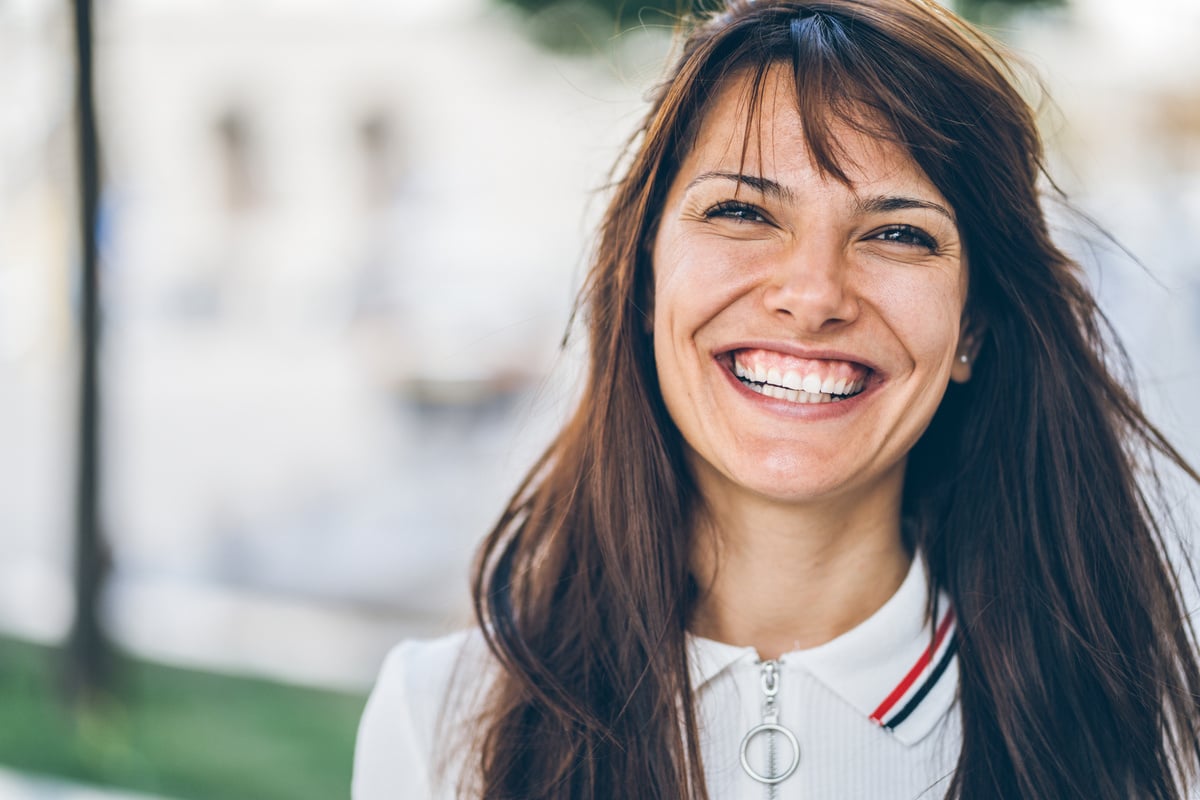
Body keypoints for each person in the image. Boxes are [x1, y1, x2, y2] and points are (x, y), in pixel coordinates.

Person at [353, 0, 1200, 797]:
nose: (813, 292)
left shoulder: (1148, 725)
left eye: (898, 233)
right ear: (645, 281)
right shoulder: (437, 717)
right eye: (742, 212)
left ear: (973, 326)